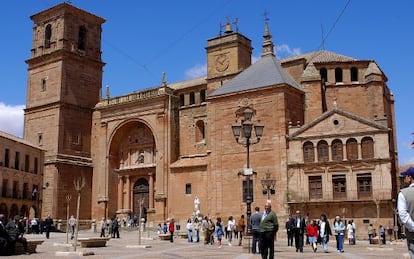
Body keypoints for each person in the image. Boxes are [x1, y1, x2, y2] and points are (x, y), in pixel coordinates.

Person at [399, 167, 414, 258]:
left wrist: (413, 227)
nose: (404, 178)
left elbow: (403, 215)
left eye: (405, 176)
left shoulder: (403, 194)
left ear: (410, 177)